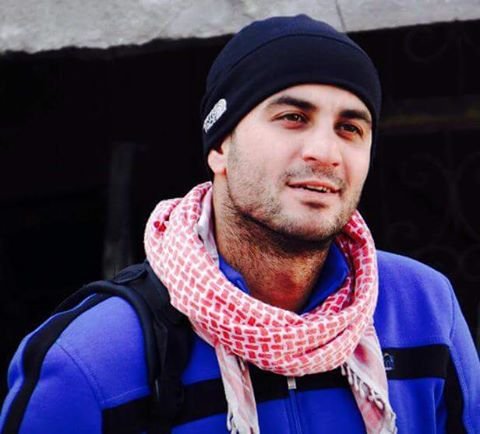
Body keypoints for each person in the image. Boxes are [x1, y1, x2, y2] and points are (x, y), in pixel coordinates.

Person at [1, 14, 479, 434]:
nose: (325, 152)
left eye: (350, 128)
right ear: (219, 146)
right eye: (293, 117)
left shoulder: (422, 308)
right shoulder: (91, 360)